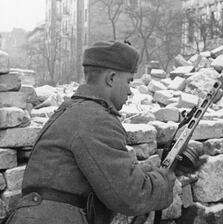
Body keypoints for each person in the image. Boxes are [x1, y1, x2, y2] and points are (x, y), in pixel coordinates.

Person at [6, 41, 176, 224]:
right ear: (111, 78)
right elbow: (129, 195)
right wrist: (165, 181)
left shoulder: (72, 110)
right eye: (128, 81)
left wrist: (146, 172)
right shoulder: (97, 119)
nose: (129, 91)